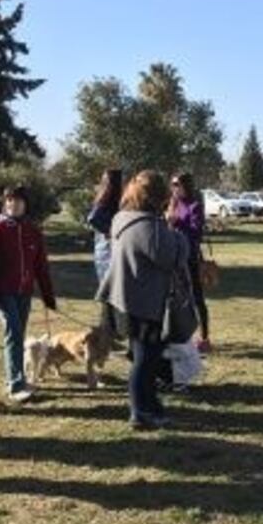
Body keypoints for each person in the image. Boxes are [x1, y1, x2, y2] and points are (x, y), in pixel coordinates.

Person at [97, 170, 188, 429]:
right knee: (145, 360)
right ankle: (140, 412)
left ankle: (150, 405)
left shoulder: (122, 218)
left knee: (143, 357)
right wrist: (174, 228)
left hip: (124, 300)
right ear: (159, 196)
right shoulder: (150, 226)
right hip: (144, 303)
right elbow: (173, 257)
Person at [0, 186, 57, 403]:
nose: (14, 204)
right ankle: (15, 385)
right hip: (3, 292)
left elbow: (41, 266)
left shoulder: (33, 231)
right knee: (14, 333)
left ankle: (20, 379)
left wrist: (48, 294)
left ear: (25, 204)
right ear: (4, 204)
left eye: (18, 201)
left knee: (18, 333)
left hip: (24, 292)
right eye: (9, 201)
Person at [166, 173, 211, 353]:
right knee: (177, 298)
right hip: (173, 257)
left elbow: (196, 232)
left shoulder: (195, 205)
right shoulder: (173, 204)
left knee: (197, 297)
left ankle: (205, 337)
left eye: (178, 184)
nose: (174, 188)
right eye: (172, 184)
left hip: (190, 257)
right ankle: (180, 335)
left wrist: (178, 223)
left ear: (187, 186)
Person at [87, 169, 122, 282]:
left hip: (104, 249)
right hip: (107, 250)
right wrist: (110, 231)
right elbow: (93, 218)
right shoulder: (107, 198)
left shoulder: (106, 198)